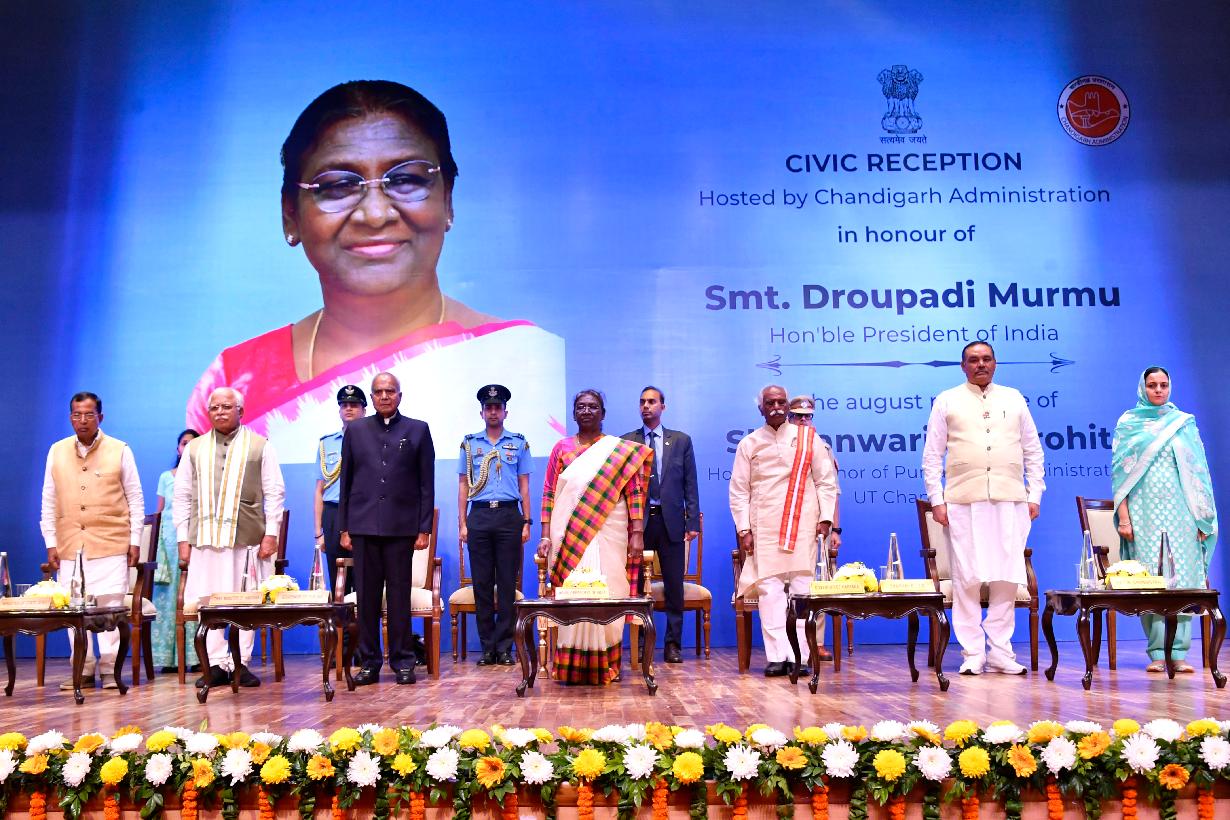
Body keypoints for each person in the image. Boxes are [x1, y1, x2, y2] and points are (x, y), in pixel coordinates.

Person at [185, 79, 564, 464]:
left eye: (406, 180)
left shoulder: (524, 359)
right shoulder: (235, 379)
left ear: (447, 200)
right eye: (337, 186)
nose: (375, 214)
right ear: (290, 214)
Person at [921, 341, 1044, 676]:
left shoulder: (1013, 398)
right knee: (967, 577)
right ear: (963, 366)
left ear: (995, 363)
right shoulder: (948, 400)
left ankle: (1002, 652)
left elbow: (1033, 450)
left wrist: (1035, 494)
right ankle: (973, 652)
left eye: (986, 359)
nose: (981, 365)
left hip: (1010, 499)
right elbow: (932, 456)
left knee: (1007, 576)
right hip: (963, 501)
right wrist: (937, 500)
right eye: (973, 360)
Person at [536, 390, 652, 685]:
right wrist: (545, 534)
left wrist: (638, 533)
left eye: (593, 406)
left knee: (609, 591)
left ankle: (608, 665)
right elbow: (549, 492)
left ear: (603, 413)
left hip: (610, 529)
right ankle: (570, 666)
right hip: (569, 533)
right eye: (581, 407)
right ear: (574, 413)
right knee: (573, 592)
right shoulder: (562, 448)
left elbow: (634, 493)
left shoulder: (618, 451)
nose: (586, 411)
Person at [174, 387, 285, 688]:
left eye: (226, 406)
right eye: (215, 408)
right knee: (208, 600)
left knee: (245, 601)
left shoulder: (260, 446)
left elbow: (274, 492)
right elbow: (181, 495)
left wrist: (271, 534)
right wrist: (182, 538)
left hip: (247, 539)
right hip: (205, 539)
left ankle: (240, 663)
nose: (220, 412)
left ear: (241, 411)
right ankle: (214, 664)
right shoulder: (195, 448)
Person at [1112, 366, 1218, 673]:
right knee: (1152, 580)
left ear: (1170, 387)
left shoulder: (1183, 422)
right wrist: (1124, 517)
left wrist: (1202, 518)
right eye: (1152, 385)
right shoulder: (1129, 423)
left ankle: (1180, 653)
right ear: (1142, 388)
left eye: (1163, 385)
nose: (1158, 390)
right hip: (1143, 511)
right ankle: (1158, 653)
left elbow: (1198, 473)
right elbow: (1120, 475)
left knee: (1182, 579)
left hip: (1182, 512)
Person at [730, 385, 839, 677]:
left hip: (803, 524)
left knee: (802, 590)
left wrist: (826, 518)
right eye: (770, 403)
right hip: (764, 526)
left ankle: (801, 656)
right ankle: (778, 657)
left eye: (781, 402)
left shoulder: (809, 439)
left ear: (788, 406)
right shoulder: (750, 443)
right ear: (761, 408)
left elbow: (825, 481)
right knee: (770, 591)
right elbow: (739, 490)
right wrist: (744, 528)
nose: (776, 407)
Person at [40, 392, 144, 690]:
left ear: (101, 417)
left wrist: (135, 540)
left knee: (109, 606)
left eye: (88, 414)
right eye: (76, 415)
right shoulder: (57, 451)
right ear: (70, 417)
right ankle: (82, 668)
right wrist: (51, 541)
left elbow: (135, 498)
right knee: (74, 607)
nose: (82, 420)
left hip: (110, 540)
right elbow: (48, 499)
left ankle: (111, 669)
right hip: (70, 542)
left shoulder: (119, 450)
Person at [339, 372, 434, 686]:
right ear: (372, 396)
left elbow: (426, 484)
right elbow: (346, 482)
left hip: (401, 527)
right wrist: (344, 527)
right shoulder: (356, 430)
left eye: (390, 391)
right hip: (363, 526)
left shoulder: (418, 429)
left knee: (398, 597)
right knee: (366, 599)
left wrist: (424, 528)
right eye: (378, 391)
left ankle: (403, 662)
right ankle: (369, 663)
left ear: (399, 396)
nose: (384, 396)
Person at [621, 385, 699, 664]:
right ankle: (642, 642)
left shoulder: (681, 440)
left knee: (674, 586)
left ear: (662, 407)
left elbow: (690, 483)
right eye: (642, 402)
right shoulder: (627, 441)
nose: (646, 406)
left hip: (672, 522)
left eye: (652, 402)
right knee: (638, 586)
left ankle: (673, 644)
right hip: (638, 523)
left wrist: (692, 521)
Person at [458, 384, 532, 666]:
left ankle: (505, 648)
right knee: (482, 583)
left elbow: (524, 486)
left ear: (505, 412)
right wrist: (462, 523)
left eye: (497, 407)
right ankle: (487, 648)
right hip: (478, 515)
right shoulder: (469, 444)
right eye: (488, 407)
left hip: (509, 515)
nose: (492, 412)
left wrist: (526, 521)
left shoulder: (519, 443)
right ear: (481, 412)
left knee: (507, 583)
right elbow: (463, 485)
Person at [151, 428, 199, 673]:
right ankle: (168, 659)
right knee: (169, 597)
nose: (187, 447)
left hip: (197, 539)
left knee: (194, 595)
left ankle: (197, 656)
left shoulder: (204, 477)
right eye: (184, 443)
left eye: (193, 443)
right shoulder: (166, 477)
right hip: (170, 543)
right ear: (177, 448)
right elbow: (159, 514)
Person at [314, 384, 367, 596]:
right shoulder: (327, 443)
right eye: (344, 405)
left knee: (364, 574)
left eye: (354, 405)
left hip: (363, 512)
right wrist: (318, 532)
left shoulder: (373, 440)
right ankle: (341, 618)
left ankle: (364, 618)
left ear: (364, 410)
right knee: (338, 576)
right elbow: (319, 490)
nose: (348, 408)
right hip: (333, 513)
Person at [788, 396, 843, 596]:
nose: (803, 420)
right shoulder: (780, 446)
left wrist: (835, 529)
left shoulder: (822, 447)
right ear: (789, 418)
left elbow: (832, 490)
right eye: (798, 416)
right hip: (786, 523)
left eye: (807, 416)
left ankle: (812, 619)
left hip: (816, 526)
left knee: (816, 585)